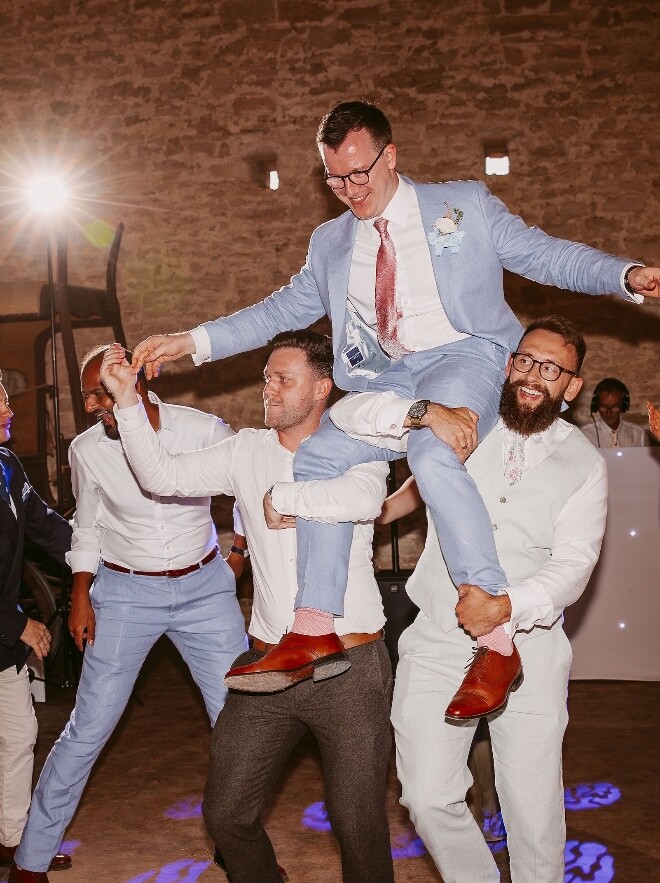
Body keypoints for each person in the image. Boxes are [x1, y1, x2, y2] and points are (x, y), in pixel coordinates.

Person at [131, 100, 659, 709]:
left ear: (391, 156)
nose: (350, 191)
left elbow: (547, 256)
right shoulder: (329, 242)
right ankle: (312, 628)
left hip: (467, 356)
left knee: (434, 455)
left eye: (361, 174)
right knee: (319, 457)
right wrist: (192, 341)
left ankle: (496, 636)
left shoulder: (461, 206)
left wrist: (625, 274)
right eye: (335, 179)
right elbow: (278, 311)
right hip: (384, 374)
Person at [101, 331, 397, 883]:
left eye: (283, 379)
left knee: (358, 820)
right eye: (266, 377)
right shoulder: (246, 450)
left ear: (322, 388)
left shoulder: (358, 446)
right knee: (227, 811)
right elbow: (160, 474)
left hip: (350, 662)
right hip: (268, 662)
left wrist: (287, 501)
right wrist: (128, 399)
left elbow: (364, 498)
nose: (269, 388)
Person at [352, 317, 607, 883]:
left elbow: (574, 566)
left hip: (532, 644)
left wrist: (506, 605)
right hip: (439, 636)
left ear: (570, 386)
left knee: (532, 812)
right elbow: (410, 482)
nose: (530, 376)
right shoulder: (467, 425)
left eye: (549, 369)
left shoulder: (584, 464)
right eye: (524, 361)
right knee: (427, 793)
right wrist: (350, 515)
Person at [9, 345, 248, 883]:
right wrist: (83, 592)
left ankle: (244, 851)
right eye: (89, 395)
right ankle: (30, 861)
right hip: (125, 593)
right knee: (87, 729)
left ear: (133, 383)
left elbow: (246, 486)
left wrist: (237, 556)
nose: (92, 405)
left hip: (204, 591)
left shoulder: (200, 428)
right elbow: (86, 523)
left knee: (243, 724)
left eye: (100, 391)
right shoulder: (87, 449)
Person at [0, 372, 72, 873]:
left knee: (20, 733)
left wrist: (107, 557)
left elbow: (49, 528)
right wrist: (17, 623)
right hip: (5, 626)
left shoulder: (8, 467)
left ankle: (12, 838)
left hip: (2, 641)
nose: (8, 410)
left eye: (5, 400)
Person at [581, 377, 650, 447]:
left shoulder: (638, 434)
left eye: (614, 407)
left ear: (623, 406)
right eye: (604, 407)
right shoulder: (585, 434)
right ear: (596, 406)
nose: (608, 413)